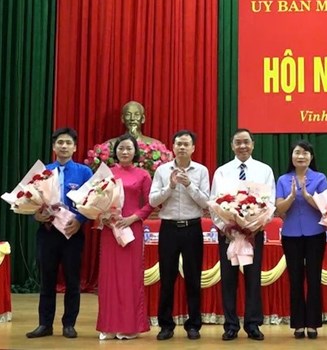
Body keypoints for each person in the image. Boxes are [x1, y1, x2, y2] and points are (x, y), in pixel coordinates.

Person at [26, 127, 93, 339]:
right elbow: (30, 201)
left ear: (75, 147)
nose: (64, 146)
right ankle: (45, 324)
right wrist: (36, 215)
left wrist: (80, 220)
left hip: (72, 232)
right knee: (47, 280)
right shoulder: (42, 172)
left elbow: (92, 201)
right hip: (47, 233)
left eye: (68, 143)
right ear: (54, 147)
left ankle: (69, 324)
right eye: (60, 143)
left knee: (73, 280)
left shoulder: (84, 172)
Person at [210, 128, 276, 341]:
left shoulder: (264, 170)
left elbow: (270, 202)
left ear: (253, 144)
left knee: (253, 279)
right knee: (228, 280)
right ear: (232, 146)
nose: (242, 146)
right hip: (228, 234)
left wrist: (254, 226)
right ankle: (230, 325)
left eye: (246, 142)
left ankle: (253, 324)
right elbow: (214, 203)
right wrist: (226, 228)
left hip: (253, 233)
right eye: (238, 142)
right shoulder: (222, 171)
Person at [149, 130, 210, 341]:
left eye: (186, 144)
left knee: (193, 278)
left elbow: (206, 202)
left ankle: (193, 325)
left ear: (193, 148)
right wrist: (171, 186)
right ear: (173, 147)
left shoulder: (201, 171)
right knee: (167, 278)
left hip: (192, 228)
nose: (182, 147)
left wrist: (189, 185)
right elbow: (153, 200)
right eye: (178, 144)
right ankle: (166, 325)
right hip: (169, 229)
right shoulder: (162, 170)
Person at [97, 134, 153, 340]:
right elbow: (95, 200)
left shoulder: (143, 175)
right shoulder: (106, 173)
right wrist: (102, 217)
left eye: (129, 148)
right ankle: (109, 326)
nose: (125, 152)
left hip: (132, 229)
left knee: (130, 277)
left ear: (135, 151)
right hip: (110, 230)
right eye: (121, 148)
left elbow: (151, 203)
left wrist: (133, 218)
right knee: (109, 277)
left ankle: (130, 326)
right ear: (115, 151)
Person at [275, 140, 327, 339]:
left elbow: (325, 207)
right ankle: (298, 324)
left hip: (315, 234)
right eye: (297, 152)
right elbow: (279, 208)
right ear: (291, 157)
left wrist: (306, 195)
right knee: (295, 279)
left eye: (305, 153)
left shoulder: (320, 178)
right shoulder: (283, 179)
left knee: (314, 279)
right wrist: (291, 197)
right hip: (290, 236)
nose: (301, 156)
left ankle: (313, 324)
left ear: (311, 157)